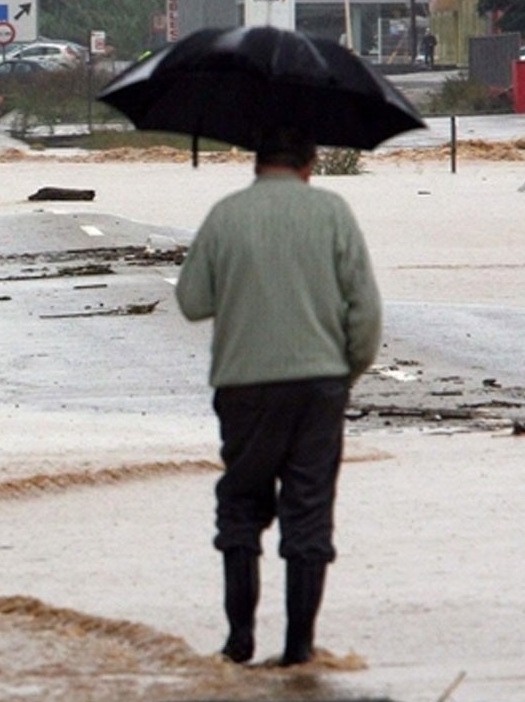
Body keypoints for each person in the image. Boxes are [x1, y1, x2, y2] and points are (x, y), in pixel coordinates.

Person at [174, 126, 382, 667]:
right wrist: (344, 374)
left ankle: (238, 642)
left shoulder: (226, 215)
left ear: (256, 163)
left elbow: (193, 301)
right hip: (319, 388)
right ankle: (298, 650)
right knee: (308, 511)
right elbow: (365, 313)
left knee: (241, 506)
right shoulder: (333, 213)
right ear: (311, 164)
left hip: (243, 387)